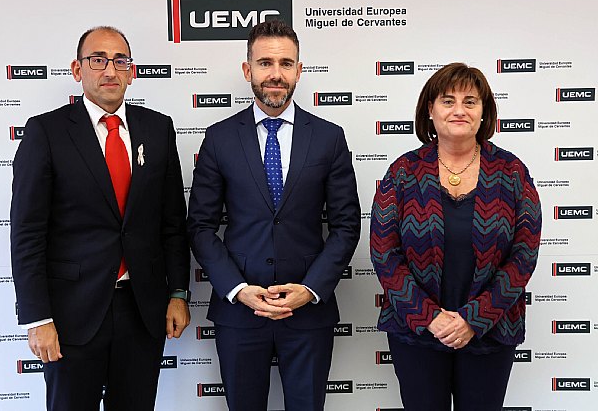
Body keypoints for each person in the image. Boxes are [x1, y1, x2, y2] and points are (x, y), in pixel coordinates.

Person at [10, 26, 191, 411]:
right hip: (71, 315)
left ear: (132, 71)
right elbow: (27, 232)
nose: (110, 70)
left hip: (142, 311)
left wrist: (178, 292)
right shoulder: (47, 131)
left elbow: (173, 222)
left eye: (120, 61)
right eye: (98, 60)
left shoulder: (158, 129)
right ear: (78, 69)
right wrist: (37, 318)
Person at [187, 20, 361, 411]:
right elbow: (200, 226)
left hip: (308, 312)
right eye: (265, 63)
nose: (276, 74)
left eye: (285, 63)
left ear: (299, 70)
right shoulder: (219, 137)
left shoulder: (329, 137)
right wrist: (238, 289)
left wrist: (310, 289)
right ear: (247, 69)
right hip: (239, 311)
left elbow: (346, 225)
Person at [370, 62, 542, 411]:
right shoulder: (403, 172)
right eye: (448, 101)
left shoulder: (512, 172)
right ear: (430, 110)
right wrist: (429, 317)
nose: (459, 110)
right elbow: (384, 254)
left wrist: (474, 319)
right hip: (417, 333)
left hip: (491, 332)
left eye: (470, 101)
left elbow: (524, 255)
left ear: (484, 111)